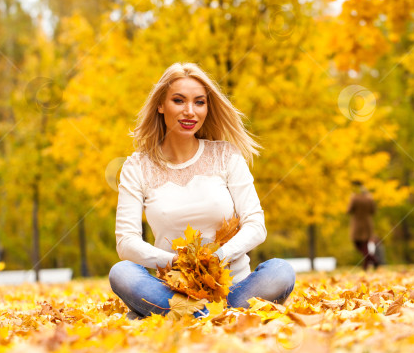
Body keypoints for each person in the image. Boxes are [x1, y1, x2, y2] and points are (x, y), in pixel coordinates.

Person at [108, 62, 296, 319]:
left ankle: (188, 316)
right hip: (174, 290)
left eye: (199, 102)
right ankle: (214, 316)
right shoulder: (137, 167)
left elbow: (256, 225)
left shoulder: (225, 155)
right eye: (178, 100)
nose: (190, 112)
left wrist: (219, 257)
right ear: (160, 105)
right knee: (121, 273)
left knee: (281, 271)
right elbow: (126, 243)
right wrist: (175, 262)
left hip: (234, 288)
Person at [347, 180, 379, 270]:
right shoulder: (369, 198)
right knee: (364, 245)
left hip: (357, 224)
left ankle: (374, 260)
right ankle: (369, 263)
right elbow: (373, 211)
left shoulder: (354, 198)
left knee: (358, 244)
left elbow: (349, 210)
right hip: (368, 224)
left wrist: (351, 199)